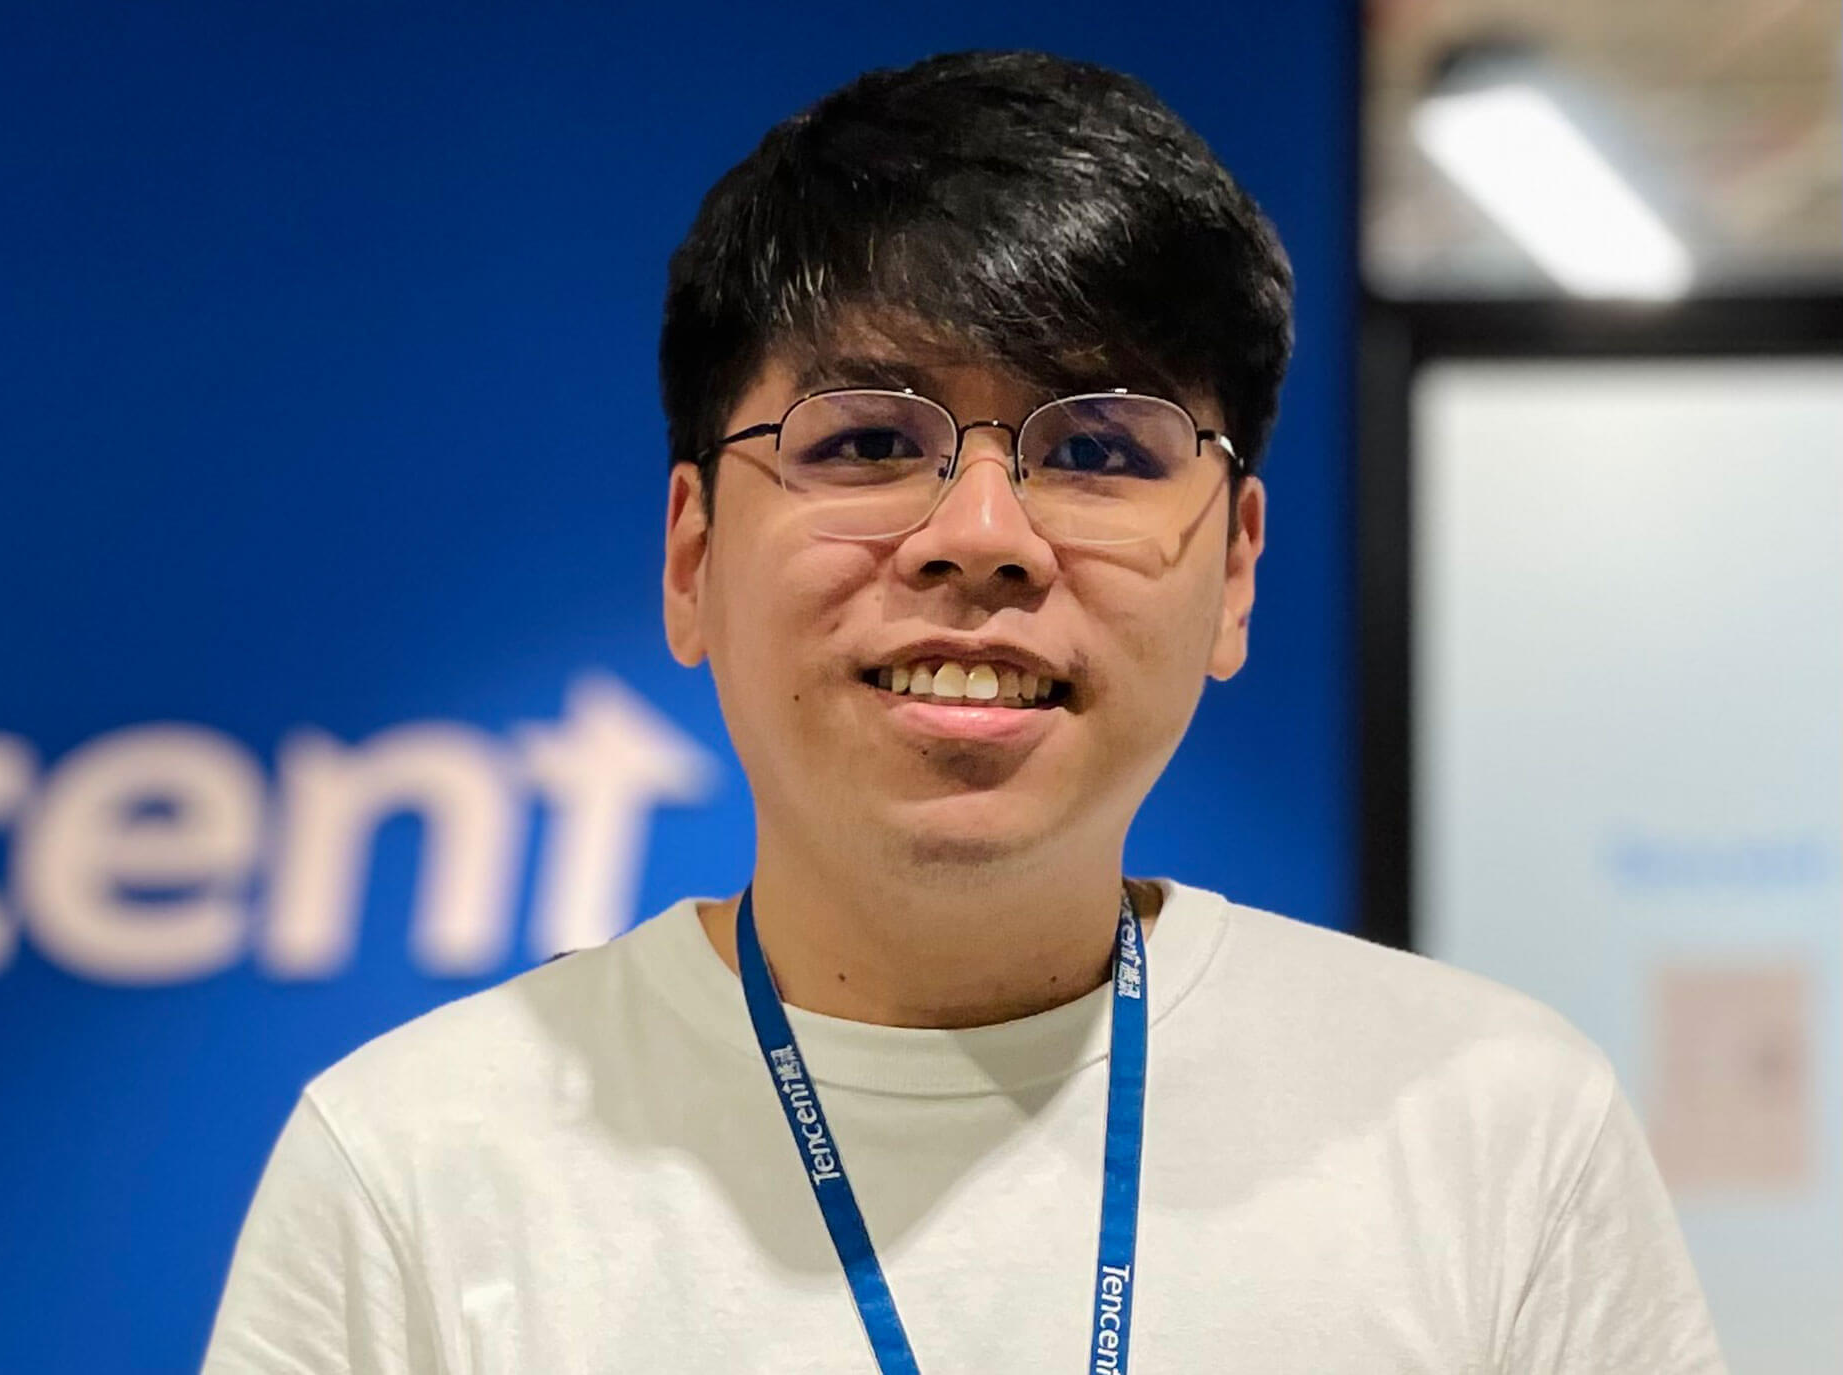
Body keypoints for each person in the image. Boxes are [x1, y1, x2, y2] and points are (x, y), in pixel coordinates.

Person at [202, 50, 1724, 1374]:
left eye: (1103, 451)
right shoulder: (411, 1167)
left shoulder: (1491, 1125)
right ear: (691, 561)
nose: (982, 530)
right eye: (867, 438)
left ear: (1237, 570)